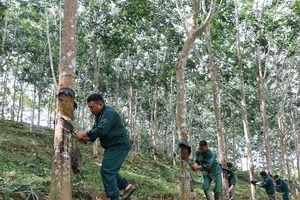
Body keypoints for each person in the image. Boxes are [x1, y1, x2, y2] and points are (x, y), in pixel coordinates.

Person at [75, 93, 136, 200]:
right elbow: (94, 134)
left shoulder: (109, 112)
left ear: (100, 105)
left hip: (118, 145)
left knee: (107, 171)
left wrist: (84, 133)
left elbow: (101, 130)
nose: (90, 110)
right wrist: (84, 138)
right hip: (111, 146)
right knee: (108, 170)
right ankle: (126, 186)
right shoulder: (98, 117)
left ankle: (113, 197)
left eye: (91, 107)